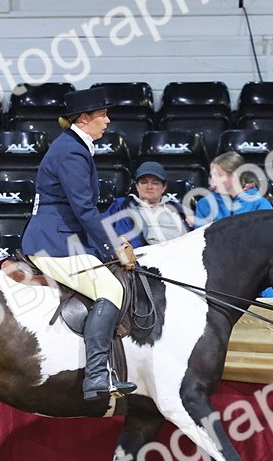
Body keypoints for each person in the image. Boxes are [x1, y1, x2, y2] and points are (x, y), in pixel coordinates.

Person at [22, 85, 136, 401]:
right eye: (103, 115)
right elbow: (83, 209)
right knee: (112, 289)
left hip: (64, 238)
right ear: (84, 118)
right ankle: (97, 375)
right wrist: (112, 245)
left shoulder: (73, 146)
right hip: (53, 242)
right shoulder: (71, 151)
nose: (108, 120)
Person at [102, 161, 189, 247]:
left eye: (155, 183)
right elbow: (102, 230)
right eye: (144, 182)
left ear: (164, 187)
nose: (149, 187)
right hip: (140, 256)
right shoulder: (121, 205)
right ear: (136, 186)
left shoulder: (179, 210)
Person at [193, 151, 241, 227]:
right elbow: (200, 237)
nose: (212, 181)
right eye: (211, 176)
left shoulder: (259, 203)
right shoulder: (205, 204)